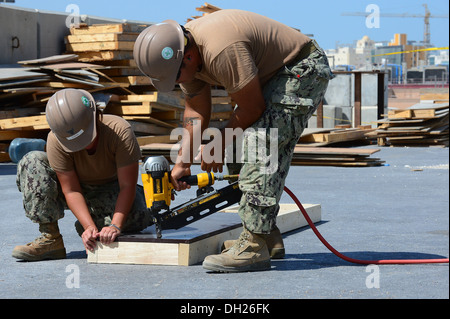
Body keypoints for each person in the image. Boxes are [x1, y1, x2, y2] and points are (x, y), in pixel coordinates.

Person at [134, 9, 334, 272]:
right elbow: (196, 111)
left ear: (189, 57)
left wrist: (219, 143)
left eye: (176, 78)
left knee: (260, 141)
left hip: (301, 68)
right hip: (272, 76)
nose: (177, 83)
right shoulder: (185, 55)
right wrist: (183, 161)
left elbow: (253, 107)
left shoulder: (221, 50)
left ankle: (253, 246)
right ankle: (265, 234)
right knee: (239, 143)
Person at [12, 89, 152, 261]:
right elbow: (71, 190)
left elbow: (127, 186)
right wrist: (89, 227)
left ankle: (103, 222)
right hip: (76, 190)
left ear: (95, 116)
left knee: (140, 215)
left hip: (111, 190)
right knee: (32, 161)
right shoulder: (56, 140)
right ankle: (51, 239)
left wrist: (115, 225)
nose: (82, 145)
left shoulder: (120, 131)